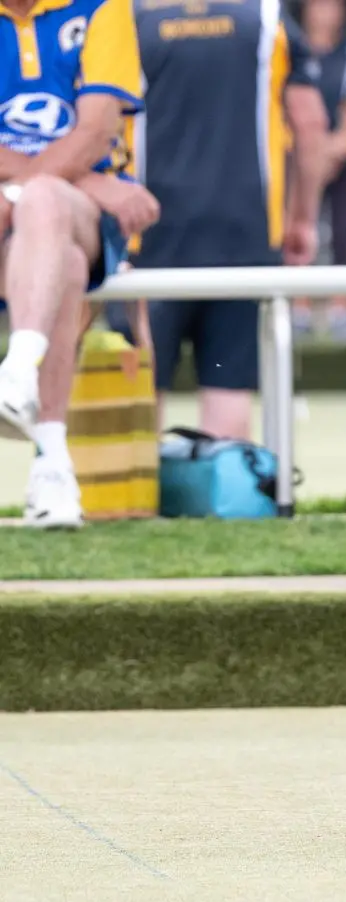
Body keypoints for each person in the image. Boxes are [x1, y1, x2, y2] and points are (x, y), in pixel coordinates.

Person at [130, 0, 328, 442]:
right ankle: (221, 485)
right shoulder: (267, 18)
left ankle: (140, 485)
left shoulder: (128, 16)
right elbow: (310, 123)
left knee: (139, 386)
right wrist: (302, 219)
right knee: (228, 389)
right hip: (244, 233)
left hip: (148, 235)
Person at [0, 0, 160, 528]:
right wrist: (88, 180)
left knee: (44, 201)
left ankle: (18, 370)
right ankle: (52, 466)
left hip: (77, 211)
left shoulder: (100, 8)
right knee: (64, 264)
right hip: (56, 205)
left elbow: (95, 131)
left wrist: (27, 189)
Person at [293, 0, 346, 343]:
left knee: (343, 233)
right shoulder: (292, 44)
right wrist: (310, 153)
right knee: (298, 228)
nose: (326, 12)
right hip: (298, 156)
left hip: (344, 157)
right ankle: (298, 307)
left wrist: (333, 149)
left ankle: (341, 310)